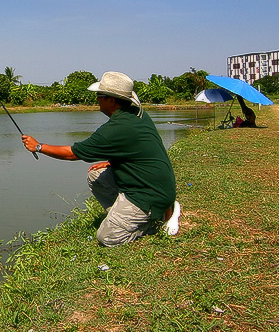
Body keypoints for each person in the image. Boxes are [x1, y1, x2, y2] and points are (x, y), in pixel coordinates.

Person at [21, 71, 180, 246]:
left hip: (147, 194)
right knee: (96, 176)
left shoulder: (116, 128)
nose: (96, 99)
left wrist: (38, 146)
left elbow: (73, 153)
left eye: (99, 96)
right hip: (160, 185)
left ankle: (151, 224)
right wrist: (113, 161)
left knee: (107, 238)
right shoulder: (136, 112)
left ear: (111, 100)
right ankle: (128, 215)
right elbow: (137, 149)